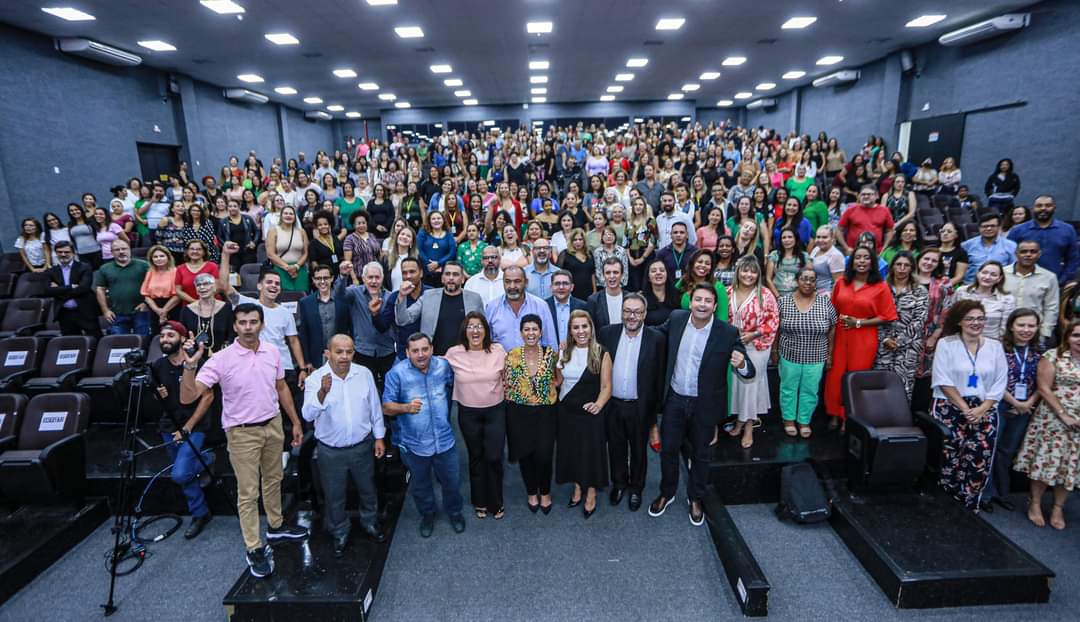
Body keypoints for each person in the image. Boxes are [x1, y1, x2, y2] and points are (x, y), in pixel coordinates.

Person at [180, 303, 307, 578]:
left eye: (253, 322)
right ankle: (253, 547)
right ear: (235, 326)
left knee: (274, 480)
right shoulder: (220, 359)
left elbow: (281, 387)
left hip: (273, 425)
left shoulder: (272, 351)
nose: (248, 327)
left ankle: (276, 526)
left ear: (262, 324)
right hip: (241, 433)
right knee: (248, 493)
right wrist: (189, 366)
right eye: (242, 322)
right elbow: (188, 397)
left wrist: (295, 422)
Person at [649, 284, 754, 525]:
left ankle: (695, 497)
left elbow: (749, 371)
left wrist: (741, 364)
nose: (702, 304)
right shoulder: (676, 319)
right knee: (668, 450)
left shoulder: (727, 332)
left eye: (708, 301)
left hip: (704, 404)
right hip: (675, 399)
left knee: (701, 454)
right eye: (698, 299)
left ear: (715, 306)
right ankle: (667, 492)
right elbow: (654, 334)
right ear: (691, 302)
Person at [303, 334, 386, 556]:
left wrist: (379, 437)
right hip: (331, 451)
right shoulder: (316, 379)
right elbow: (307, 415)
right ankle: (339, 530)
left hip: (362, 446)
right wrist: (322, 393)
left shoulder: (364, 374)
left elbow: (374, 407)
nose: (344, 356)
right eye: (339, 351)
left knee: (368, 489)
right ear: (327, 353)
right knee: (334, 495)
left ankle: (370, 522)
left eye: (349, 351)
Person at [382, 333, 465, 538]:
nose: (421, 354)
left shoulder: (443, 366)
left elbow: (453, 386)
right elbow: (386, 407)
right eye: (415, 351)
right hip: (415, 445)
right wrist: (406, 408)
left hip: (445, 440)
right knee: (420, 486)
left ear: (432, 349)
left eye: (425, 349)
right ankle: (428, 514)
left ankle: (455, 513)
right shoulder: (397, 374)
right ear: (407, 352)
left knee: (452, 482)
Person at [931, 300, 1008, 510]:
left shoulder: (995, 346)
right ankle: (943, 504)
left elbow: (1000, 382)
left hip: (985, 409)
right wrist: (965, 408)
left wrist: (982, 409)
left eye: (980, 318)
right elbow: (942, 379)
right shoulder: (946, 344)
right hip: (950, 406)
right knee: (948, 457)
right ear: (959, 321)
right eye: (970, 318)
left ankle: (969, 504)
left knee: (978, 459)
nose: (976, 323)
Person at [599, 293, 664, 511]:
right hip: (613, 405)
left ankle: (636, 488)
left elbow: (659, 378)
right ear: (622, 312)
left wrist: (654, 415)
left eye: (637, 312)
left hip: (640, 406)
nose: (632, 316)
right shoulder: (607, 333)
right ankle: (619, 484)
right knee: (615, 448)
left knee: (638, 451)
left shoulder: (656, 339)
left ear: (644, 314)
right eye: (627, 311)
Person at [218, 242, 311, 397]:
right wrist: (225, 254)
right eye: (269, 282)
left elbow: (293, 341)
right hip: (256, 366)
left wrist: (301, 368)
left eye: (277, 284)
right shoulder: (246, 304)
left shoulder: (285, 312)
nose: (274, 286)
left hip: (284, 367)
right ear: (259, 286)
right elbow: (224, 286)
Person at [150, 322, 215, 540]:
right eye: (162, 336)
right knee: (184, 474)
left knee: (179, 473)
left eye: (170, 335)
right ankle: (200, 513)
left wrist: (187, 428)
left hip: (195, 425)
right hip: (169, 425)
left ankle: (208, 458)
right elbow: (159, 399)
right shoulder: (158, 366)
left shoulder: (197, 362)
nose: (165, 339)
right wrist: (158, 395)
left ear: (182, 338)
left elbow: (208, 397)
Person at [1015, 319, 1080, 529]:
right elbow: (1044, 388)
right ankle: (1035, 503)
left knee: (1069, 466)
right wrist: (1063, 414)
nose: (1079, 340)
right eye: (1076, 335)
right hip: (1054, 419)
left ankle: (1058, 507)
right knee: (1045, 462)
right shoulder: (1053, 356)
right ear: (1067, 337)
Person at [824, 245, 898, 428]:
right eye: (858, 257)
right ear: (851, 262)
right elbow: (832, 311)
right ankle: (834, 413)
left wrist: (858, 323)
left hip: (864, 337)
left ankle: (848, 417)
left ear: (872, 262)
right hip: (840, 334)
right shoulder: (841, 283)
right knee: (835, 376)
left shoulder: (880, 287)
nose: (862, 261)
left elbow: (887, 316)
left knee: (856, 376)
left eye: (866, 258)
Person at [445, 313, 507, 520]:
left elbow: (510, 376)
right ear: (465, 331)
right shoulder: (454, 353)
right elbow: (432, 366)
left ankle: (496, 501)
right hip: (468, 412)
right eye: (470, 326)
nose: (475, 330)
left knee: (494, 457)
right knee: (476, 457)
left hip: (495, 411)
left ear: (486, 331)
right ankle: (479, 501)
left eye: (479, 326)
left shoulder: (498, 350)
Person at [555, 311, 612, 519]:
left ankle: (591, 492)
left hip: (590, 413)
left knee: (591, 453)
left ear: (591, 328)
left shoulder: (601, 352)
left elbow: (606, 386)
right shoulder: (564, 352)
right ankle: (578, 487)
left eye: (584, 326)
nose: (581, 331)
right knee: (572, 451)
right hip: (566, 411)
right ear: (570, 331)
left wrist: (598, 404)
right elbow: (559, 382)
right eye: (576, 327)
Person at [983, 309, 1041, 513]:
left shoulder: (1040, 351)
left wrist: (1027, 403)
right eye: (1021, 325)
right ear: (1011, 326)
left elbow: (1044, 382)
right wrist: (1015, 402)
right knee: (991, 448)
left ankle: (1001, 493)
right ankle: (985, 494)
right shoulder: (997, 348)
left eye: (1031, 325)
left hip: (1026, 408)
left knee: (1007, 451)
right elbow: (992, 379)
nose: (1026, 329)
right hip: (999, 403)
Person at [503, 314, 560, 513]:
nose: (531, 333)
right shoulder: (512, 355)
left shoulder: (551, 354)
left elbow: (559, 379)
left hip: (546, 412)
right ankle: (531, 492)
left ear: (541, 332)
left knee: (544, 454)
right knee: (525, 454)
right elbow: (506, 382)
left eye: (534, 329)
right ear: (521, 333)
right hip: (519, 412)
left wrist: (547, 389)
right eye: (526, 329)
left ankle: (545, 492)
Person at [777, 267, 836, 438]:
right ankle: (788, 419)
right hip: (789, 353)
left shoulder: (824, 302)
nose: (808, 283)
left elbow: (833, 328)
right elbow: (776, 328)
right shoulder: (783, 301)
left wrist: (830, 354)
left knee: (810, 390)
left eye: (812, 279)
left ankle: (804, 421)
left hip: (816, 355)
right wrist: (774, 350)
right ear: (797, 280)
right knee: (788, 388)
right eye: (804, 278)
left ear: (816, 282)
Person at [727, 256, 779, 448]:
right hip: (734, 345)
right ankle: (740, 420)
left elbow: (773, 321)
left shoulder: (765, 294)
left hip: (756, 345)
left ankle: (748, 427)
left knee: (750, 384)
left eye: (753, 271)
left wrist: (753, 334)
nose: (748, 275)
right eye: (745, 270)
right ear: (738, 271)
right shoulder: (728, 292)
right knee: (737, 385)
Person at [395, 261, 484, 355]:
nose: (451, 278)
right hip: (434, 358)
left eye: (455, 274)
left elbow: (483, 328)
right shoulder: (428, 296)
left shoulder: (474, 299)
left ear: (462, 279)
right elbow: (403, 320)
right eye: (447, 274)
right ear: (442, 278)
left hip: (466, 356)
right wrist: (402, 296)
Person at [873, 252, 929, 398]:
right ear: (892, 266)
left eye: (906, 265)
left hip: (908, 348)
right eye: (898, 264)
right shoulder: (881, 288)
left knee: (903, 389)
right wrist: (885, 339)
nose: (902, 268)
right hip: (883, 345)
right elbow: (874, 316)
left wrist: (898, 342)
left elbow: (919, 320)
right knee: (879, 386)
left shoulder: (920, 291)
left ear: (912, 268)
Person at [336, 261, 396, 387]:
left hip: (386, 351)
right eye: (370, 277)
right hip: (363, 352)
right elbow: (339, 295)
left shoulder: (390, 297)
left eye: (377, 277)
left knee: (389, 388)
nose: (373, 281)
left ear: (382, 278)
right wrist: (343, 276)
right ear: (363, 278)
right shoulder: (355, 293)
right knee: (365, 389)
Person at [1008, 195, 1080, 283]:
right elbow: (1009, 255)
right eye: (1039, 206)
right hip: (1021, 282)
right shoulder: (1018, 230)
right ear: (1033, 209)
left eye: (1048, 205)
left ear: (1054, 208)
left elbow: (1073, 259)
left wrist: (1063, 279)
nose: (1043, 208)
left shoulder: (1067, 230)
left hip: (1055, 282)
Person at [485, 266, 557, 350]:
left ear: (526, 282)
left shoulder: (540, 306)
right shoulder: (492, 307)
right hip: (501, 358)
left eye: (517, 281)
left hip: (535, 358)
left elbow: (551, 343)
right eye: (508, 282)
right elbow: (486, 343)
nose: (512, 286)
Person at [1004, 240, 1060, 347]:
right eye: (1023, 251)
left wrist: (1045, 333)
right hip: (1005, 331)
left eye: (1033, 251)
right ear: (1016, 254)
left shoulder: (1049, 277)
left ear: (1039, 254)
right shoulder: (1002, 274)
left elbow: (1051, 307)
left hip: (1033, 333)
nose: (1028, 255)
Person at [297, 264, 352, 367]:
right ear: (313, 280)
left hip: (341, 355)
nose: (322, 281)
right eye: (318, 278)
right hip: (316, 357)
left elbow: (350, 329)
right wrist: (307, 362)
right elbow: (304, 334)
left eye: (325, 278)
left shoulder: (343, 300)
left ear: (332, 278)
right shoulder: (305, 303)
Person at [94, 239, 151, 336]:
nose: (121, 252)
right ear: (112, 252)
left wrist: (146, 303)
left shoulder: (144, 265)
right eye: (117, 250)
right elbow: (100, 289)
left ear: (129, 249)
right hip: (117, 313)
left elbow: (152, 285)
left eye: (124, 248)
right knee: (119, 342)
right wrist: (105, 310)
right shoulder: (105, 268)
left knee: (143, 340)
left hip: (141, 311)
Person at [46, 241, 100, 336]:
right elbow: (47, 291)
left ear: (73, 253)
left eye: (66, 252)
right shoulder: (51, 271)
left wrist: (59, 290)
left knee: (95, 339)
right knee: (71, 342)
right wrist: (70, 287)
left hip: (85, 312)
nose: (63, 254)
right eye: (59, 252)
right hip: (64, 314)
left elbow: (83, 288)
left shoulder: (84, 267)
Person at [952, 261, 1016, 339]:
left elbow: (1005, 329)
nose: (987, 277)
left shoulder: (1007, 299)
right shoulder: (962, 292)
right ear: (978, 273)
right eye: (984, 273)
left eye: (993, 275)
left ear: (999, 279)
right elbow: (953, 318)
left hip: (992, 342)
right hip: (961, 340)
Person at [960, 212, 1016, 284]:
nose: (989, 228)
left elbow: (1014, 268)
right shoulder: (967, 245)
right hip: (971, 285)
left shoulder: (1011, 245)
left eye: (992, 226)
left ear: (999, 227)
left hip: (999, 285)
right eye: (985, 226)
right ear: (979, 228)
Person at [265, 206, 309, 293]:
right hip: (280, 269)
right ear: (281, 216)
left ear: (295, 217)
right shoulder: (273, 231)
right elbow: (270, 254)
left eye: (291, 214)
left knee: (302, 295)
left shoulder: (302, 232)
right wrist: (288, 268)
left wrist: (296, 266)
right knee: (284, 296)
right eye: (285, 213)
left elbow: (305, 253)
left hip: (299, 270)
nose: (288, 216)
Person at [838, 185, 894, 252]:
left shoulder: (884, 211)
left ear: (877, 196)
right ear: (859, 196)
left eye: (869, 194)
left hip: (876, 252)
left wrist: (884, 247)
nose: (866, 196)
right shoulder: (850, 210)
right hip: (854, 252)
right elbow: (839, 230)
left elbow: (889, 231)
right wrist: (846, 248)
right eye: (863, 194)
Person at [546, 269, 588, 346]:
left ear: (572, 287)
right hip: (550, 351)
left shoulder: (583, 306)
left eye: (565, 283)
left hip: (576, 350)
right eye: (557, 284)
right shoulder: (544, 306)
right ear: (551, 287)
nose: (561, 287)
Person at [587, 257, 626, 329]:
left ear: (622, 274)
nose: (612, 276)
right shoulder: (593, 300)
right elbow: (592, 328)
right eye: (608, 273)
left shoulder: (630, 298)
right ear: (603, 275)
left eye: (615, 272)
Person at [810, 225, 845, 295]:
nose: (820, 240)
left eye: (824, 237)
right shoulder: (816, 249)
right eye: (818, 237)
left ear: (832, 239)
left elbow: (838, 283)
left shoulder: (836, 255)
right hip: (812, 292)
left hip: (826, 295)